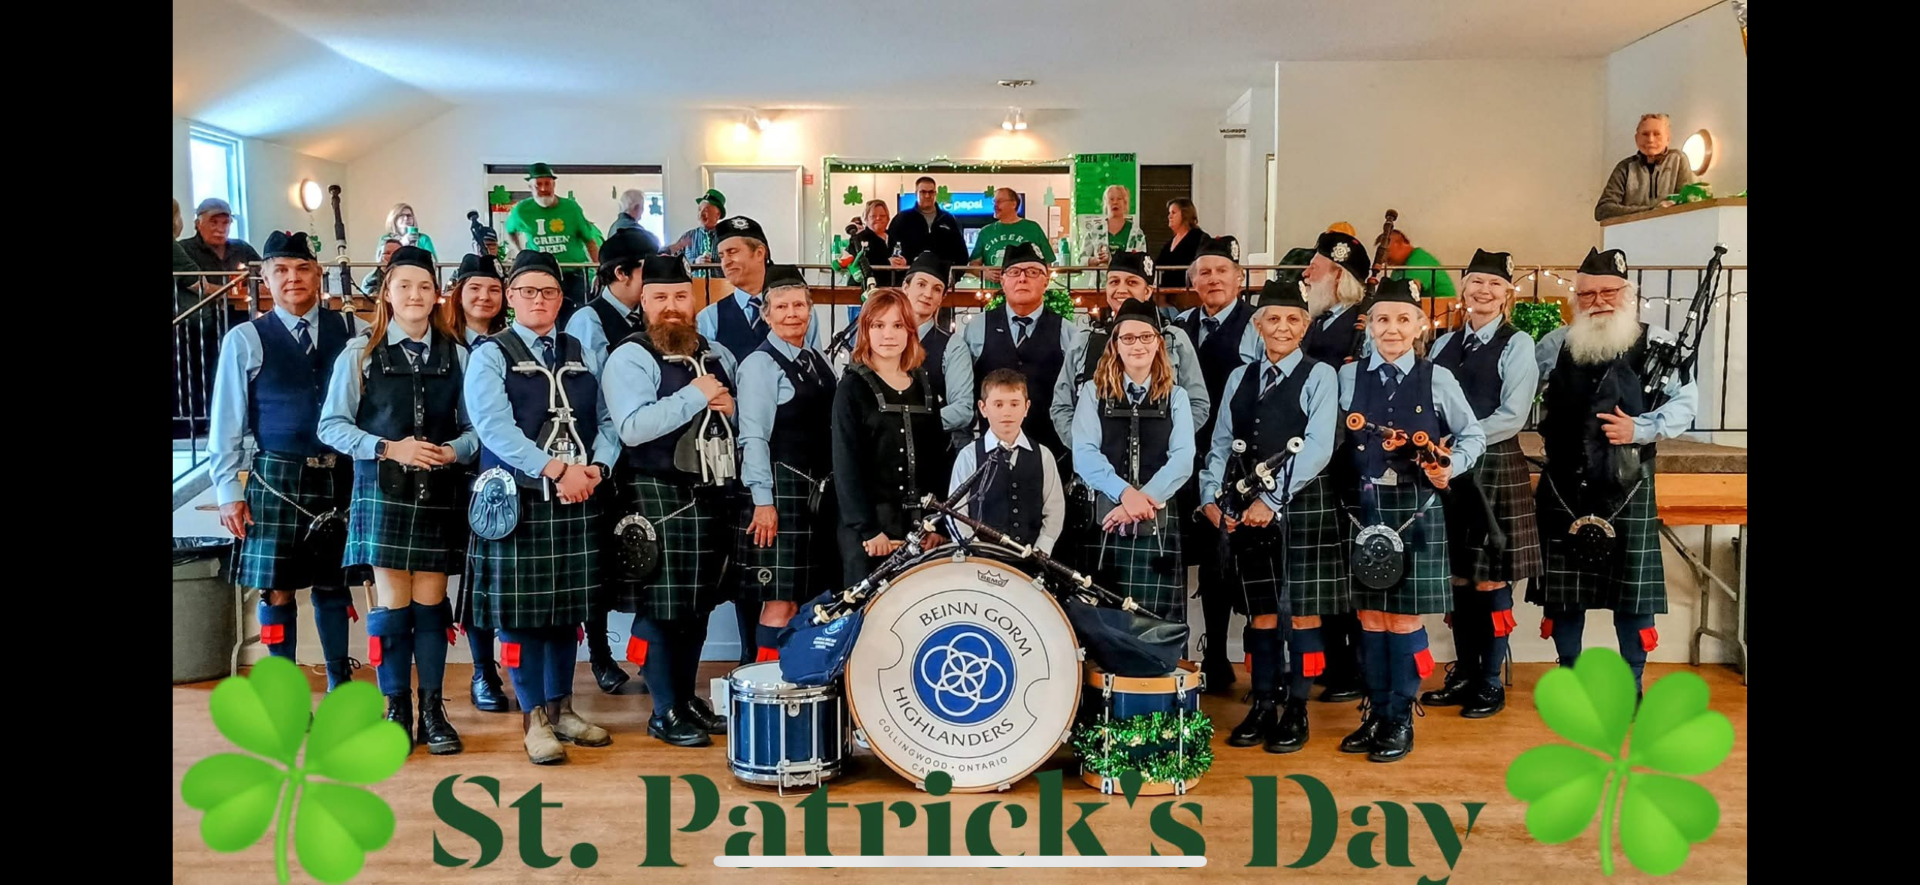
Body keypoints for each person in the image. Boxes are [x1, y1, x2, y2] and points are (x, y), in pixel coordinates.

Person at [317, 245, 475, 753]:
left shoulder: (459, 355)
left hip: (439, 491)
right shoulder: (360, 354)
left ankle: (432, 711)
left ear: (438, 295)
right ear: (387, 292)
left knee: (431, 605)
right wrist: (388, 447)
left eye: (425, 286)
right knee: (392, 604)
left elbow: (476, 431)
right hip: (383, 493)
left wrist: (452, 451)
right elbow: (331, 426)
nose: (415, 295)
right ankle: (396, 710)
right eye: (404, 285)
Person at [463, 250, 619, 765]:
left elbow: (607, 419)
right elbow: (494, 428)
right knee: (523, 618)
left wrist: (597, 467)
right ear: (511, 297)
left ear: (560, 298)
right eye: (528, 291)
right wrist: (556, 470)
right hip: (519, 501)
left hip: (577, 494)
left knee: (566, 613)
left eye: (549, 292)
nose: (539, 300)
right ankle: (534, 720)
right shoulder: (491, 353)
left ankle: (563, 710)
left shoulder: (580, 349)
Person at [1532, 248, 1697, 697]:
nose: (1598, 301)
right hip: (1564, 482)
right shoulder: (1553, 345)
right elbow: (1526, 394)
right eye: (1587, 294)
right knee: (1564, 596)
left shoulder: (1660, 343)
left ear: (1628, 294)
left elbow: (1685, 406)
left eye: (1609, 292)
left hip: (1628, 483)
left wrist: (1638, 429)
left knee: (1632, 597)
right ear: (1575, 298)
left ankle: (1633, 684)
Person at [208, 231, 367, 693]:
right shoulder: (245, 338)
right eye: (280, 270)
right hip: (276, 477)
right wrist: (228, 490)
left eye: (301, 269)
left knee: (334, 585)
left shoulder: (354, 331)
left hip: (342, 473)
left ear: (318, 275)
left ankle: (340, 685)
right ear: (265, 279)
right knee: (277, 588)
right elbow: (226, 420)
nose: (292, 278)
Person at [1336, 278, 1486, 763]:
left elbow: (1473, 435)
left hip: (1416, 508)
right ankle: (1376, 713)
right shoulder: (1346, 377)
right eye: (1383, 319)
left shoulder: (1436, 377)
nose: (1392, 329)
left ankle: (1400, 717)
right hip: (1361, 509)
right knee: (1368, 616)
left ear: (1420, 325)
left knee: (1402, 619)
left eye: (1403, 319)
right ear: (1369, 326)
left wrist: (1450, 467)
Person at [603, 254, 740, 747]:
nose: (672, 306)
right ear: (643, 301)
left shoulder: (718, 353)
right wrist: (696, 396)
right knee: (664, 608)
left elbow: (738, 419)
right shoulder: (630, 356)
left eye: (681, 296)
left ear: (695, 300)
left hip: (712, 491)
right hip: (656, 492)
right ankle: (663, 711)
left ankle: (685, 699)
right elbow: (632, 428)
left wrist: (732, 408)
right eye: (660, 297)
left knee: (697, 606)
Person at [1200, 278, 1341, 753]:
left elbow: (1318, 446)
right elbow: (1221, 443)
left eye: (1293, 319)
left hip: (1303, 506)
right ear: (1258, 326)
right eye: (1273, 319)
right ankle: (1262, 704)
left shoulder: (1321, 375)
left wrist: (1272, 499)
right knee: (1260, 613)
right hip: (1247, 508)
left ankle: (1297, 708)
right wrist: (1210, 498)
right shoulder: (1240, 377)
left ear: (1305, 326)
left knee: (1302, 615)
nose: (1283, 327)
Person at [1421, 249, 1543, 719]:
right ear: (1464, 288)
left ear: (1507, 293)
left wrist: (1460, 440)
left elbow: (1513, 415)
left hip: (1493, 465)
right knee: (1458, 574)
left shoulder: (1518, 344)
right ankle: (1465, 673)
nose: (1484, 291)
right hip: (1449, 469)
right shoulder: (1442, 345)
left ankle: (1490, 681)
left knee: (1490, 576)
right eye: (1476, 282)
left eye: (1494, 284)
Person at [735, 266, 839, 661]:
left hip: (819, 497)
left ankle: (798, 681)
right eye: (781, 306)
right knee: (779, 602)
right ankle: (767, 686)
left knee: (809, 600)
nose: (792, 313)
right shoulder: (759, 365)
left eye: (799, 305)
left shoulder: (818, 359)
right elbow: (753, 437)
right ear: (766, 315)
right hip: (780, 495)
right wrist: (763, 502)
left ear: (810, 310)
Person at [1173, 235, 1261, 693]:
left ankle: (1238, 659)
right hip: (1183, 457)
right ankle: (1197, 654)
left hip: (1239, 459)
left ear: (1239, 278)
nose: (1213, 279)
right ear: (1192, 282)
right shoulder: (1178, 327)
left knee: (1231, 558)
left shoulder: (1257, 325)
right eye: (1204, 272)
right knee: (1198, 558)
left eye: (1221, 271)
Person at [1070, 299, 1195, 622]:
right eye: (1128, 337)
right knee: (1103, 619)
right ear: (1115, 344)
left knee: (1158, 622)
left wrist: (1142, 500)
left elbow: (1183, 459)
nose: (1137, 345)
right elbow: (1084, 454)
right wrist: (1126, 494)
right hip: (1104, 519)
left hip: (1158, 522)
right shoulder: (1093, 392)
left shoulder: (1177, 396)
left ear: (1158, 343)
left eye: (1145, 337)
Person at [1297, 229, 1374, 702]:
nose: (1307, 273)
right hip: (1320, 461)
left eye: (1316, 266)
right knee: (1328, 569)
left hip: (1350, 462)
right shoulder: (1321, 322)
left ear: (1339, 275)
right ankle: (1334, 662)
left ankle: (1356, 669)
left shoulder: (1362, 325)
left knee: (1350, 570)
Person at [831, 289, 951, 585]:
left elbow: (938, 460)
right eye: (878, 325)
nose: (888, 334)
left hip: (921, 530)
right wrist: (869, 530)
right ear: (866, 330)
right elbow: (845, 465)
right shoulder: (851, 388)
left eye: (898, 325)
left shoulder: (924, 386)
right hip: (868, 531)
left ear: (910, 330)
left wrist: (936, 524)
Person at [443, 252, 511, 714]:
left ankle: (514, 670)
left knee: (497, 578)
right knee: (473, 581)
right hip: (451, 471)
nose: (485, 297)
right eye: (475, 288)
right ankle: (482, 670)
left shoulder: (513, 344)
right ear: (458, 294)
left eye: (493, 289)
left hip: (500, 474)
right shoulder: (442, 344)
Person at [1053, 251, 1210, 447]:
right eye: (1114, 281)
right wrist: (1084, 448)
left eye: (1132, 282)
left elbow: (1198, 404)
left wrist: (1166, 444)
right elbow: (1062, 406)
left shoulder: (1174, 339)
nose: (1121, 289)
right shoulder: (1085, 339)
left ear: (1148, 291)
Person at [947, 369, 1066, 554]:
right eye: (998, 404)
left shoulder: (1043, 455)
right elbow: (955, 513)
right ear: (983, 408)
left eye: (1014, 404)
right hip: (980, 559)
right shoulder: (969, 456)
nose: (1007, 412)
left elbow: (1054, 510)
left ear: (1026, 407)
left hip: (1031, 559)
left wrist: (1040, 550)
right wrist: (976, 551)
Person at [698, 215, 821, 363]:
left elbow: (816, 363)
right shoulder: (710, 319)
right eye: (721, 256)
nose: (726, 262)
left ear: (759, 253)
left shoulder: (798, 311)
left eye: (732, 252)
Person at [504, 162, 604, 324]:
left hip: (573, 274)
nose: (544, 188)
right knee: (543, 318)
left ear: (554, 184)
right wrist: (519, 251)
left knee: (576, 318)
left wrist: (598, 269)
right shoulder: (522, 210)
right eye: (538, 184)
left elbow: (589, 241)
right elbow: (510, 230)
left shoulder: (571, 208)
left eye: (547, 183)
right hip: (540, 275)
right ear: (530, 187)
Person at [1594, 113, 1698, 221]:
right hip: (1632, 230)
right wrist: (1653, 211)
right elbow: (1603, 210)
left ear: (1668, 139)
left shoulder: (1678, 160)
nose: (1650, 139)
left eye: (1657, 134)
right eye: (1645, 134)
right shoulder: (1625, 167)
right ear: (1636, 138)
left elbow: (1687, 203)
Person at [1299, 230, 1373, 368]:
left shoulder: (1365, 323)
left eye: (1313, 268)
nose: (1305, 273)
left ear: (1338, 276)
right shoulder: (1318, 318)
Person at [967, 188, 1054, 289]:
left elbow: (1047, 263)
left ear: (1013, 204)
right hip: (994, 293)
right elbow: (973, 265)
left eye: (999, 201)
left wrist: (1042, 287)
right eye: (994, 202)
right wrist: (985, 274)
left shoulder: (1033, 229)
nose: (995, 205)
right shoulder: (985, 232)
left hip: (1025, 292)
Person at [885, 175, 968, 267]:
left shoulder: (948, 219)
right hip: (910, 274)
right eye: (923, 192)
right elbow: (892, 249)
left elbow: (961, 253)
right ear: (916, 193)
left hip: (941, 274)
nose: (927, 195)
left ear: (935, 194)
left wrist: (953, 272)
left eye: (931, 192)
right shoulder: (902, 219)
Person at [846, 199, 908, 288]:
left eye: (882, 216)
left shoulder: (896, 238)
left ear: (888, 219)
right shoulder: (858, 239)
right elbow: (856, 263)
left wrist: (904, 262)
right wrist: (887, 263)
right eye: (873, 216)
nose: (878, 218)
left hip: (893, 288)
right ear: (866, 219)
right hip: (865, 289)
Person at [668, 188, 727, 277]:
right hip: (693, 284)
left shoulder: (726, 237)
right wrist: (695, 262)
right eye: (699, 209)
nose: (701, 214)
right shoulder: (688, 236)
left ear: (718, 215)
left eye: (706, 210)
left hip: (721, 284)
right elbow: (673, 262)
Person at [1086, 184, 1149, 267]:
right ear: (1105, 204)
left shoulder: (1137, 234)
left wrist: (1112, 259)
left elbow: (1142, 262)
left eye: (1119, 199)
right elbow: (1080, 260)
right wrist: (1096, 260)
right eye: (1111, 199)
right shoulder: (1094, 232)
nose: (1115, 202)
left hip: (1127, 275)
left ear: (1125, 203)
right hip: (1101, 275)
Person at [1384, 229, 1456, 301]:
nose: (1385, 258)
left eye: (1387, 251)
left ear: (1402, 244)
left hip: (1441, 304)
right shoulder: (1398, 267)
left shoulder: (1418, 259)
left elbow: (1410, 291)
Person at [1155, 198, 1208, 290]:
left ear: (1185, 214)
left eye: (1173, 213)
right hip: (1166, 292)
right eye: (1169, 213)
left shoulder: (1199, 238)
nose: (1169, 216)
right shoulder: (1169, 244)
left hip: (1189, 292)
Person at [607, 189, 664, 255]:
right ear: (636, 207)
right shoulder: (635, 230)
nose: (643, 211)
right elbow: (656, 248)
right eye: (642, 207)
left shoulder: (613, 227)